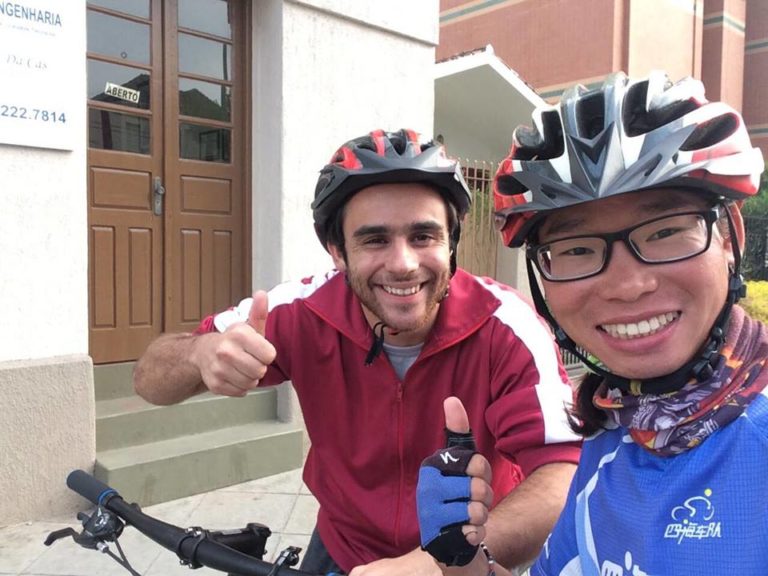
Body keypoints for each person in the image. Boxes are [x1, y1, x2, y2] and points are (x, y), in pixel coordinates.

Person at [133, 128, 582, 575]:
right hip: (343, 547)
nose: (403, 263)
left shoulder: (507, 325)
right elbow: (149, 379)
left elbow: (561, 478)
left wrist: (432, 566)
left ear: (452, 244)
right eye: (374, 240)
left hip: (466, 557)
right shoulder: (297, 311)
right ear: (337, 251)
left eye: (424, 236)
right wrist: (201, 353)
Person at [417, 70, 768, 575]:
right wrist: (462, 557)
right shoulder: (614, 433)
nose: (627, 285)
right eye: (576, 249)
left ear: (729, 240)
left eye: (666, 230)